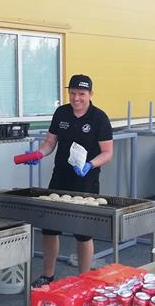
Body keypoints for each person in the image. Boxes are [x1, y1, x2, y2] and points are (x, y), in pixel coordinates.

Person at [20, 74, 113, 286]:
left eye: (81, 93)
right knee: (50, 228)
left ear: (90, 94)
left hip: (86, 180)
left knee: (83, 232)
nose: (76, 98)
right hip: (60, 176)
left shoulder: (99, 118)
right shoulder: (61, 113)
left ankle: (83, 279)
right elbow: (50, 142)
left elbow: (107, 152)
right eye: (72, 93)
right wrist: (38, 154)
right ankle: (48, 275)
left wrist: (90, 164)